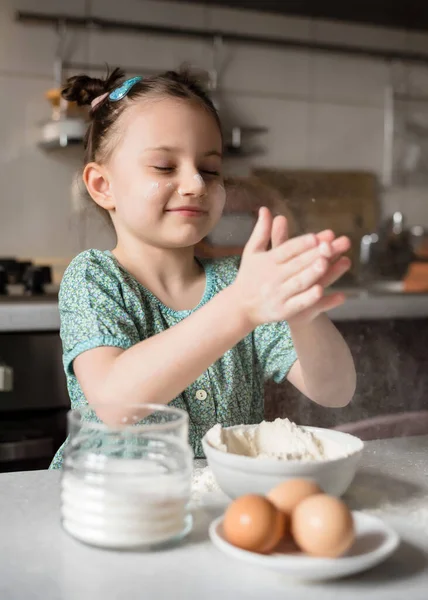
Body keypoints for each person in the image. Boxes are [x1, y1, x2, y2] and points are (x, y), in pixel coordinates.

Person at [50, 67, 356, 468]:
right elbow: (114, 402)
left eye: (210, 169)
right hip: (111, 511)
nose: (195, 183)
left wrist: (304, 319)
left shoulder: (238, 280)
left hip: (218, 508)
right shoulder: (93, 278)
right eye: (164, 166)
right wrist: (240, 309)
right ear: (102, 185)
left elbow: (335, 391)